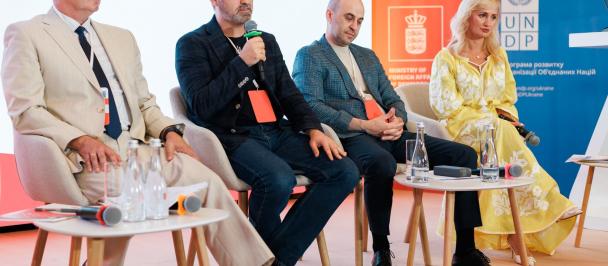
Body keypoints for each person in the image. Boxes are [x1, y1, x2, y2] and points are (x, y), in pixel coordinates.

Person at [1, 1, 275, 265]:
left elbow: (144, 103)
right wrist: (78, 139)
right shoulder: (27, 34)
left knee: (207, 182)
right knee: (130, 196)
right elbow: (25, 110)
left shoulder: (121, 38)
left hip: (139, 151)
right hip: (84, 161)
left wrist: (169, 131)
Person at [292, 0, 490, 265]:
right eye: (349, 18)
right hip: (353, 137)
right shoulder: (310, 55)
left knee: (464, 155)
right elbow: (311, 105)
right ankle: (381, 249)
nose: (355, 27)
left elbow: (393, 97)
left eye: (360, 21)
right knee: (381, 163)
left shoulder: (367, 56)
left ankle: (465, 249)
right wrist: (363, 125)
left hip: (389, 134)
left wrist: (397, 120)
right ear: (329, 15)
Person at [175, 0, 360, 265]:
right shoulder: (192, 44)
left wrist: (313, 129)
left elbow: (288, 92)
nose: (246, 1)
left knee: (345, 171)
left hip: (275, 130)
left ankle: (276, 259)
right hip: (233, 136)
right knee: (278, 179)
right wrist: (241, 63)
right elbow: (202, 106)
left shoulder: (266, 41)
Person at [429, 0, 579, 264]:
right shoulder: (446, 58)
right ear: (467, 17)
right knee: (497, 132)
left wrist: (508, 119)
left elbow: (508, 99)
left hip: (496, 129)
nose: (488, 22)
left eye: (494, 17)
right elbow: (445, 107)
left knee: (500, 136)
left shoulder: (499, 56)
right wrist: (490, 119)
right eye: (482, 15)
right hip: (460, 128)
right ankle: (548, 202)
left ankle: (511, 233)